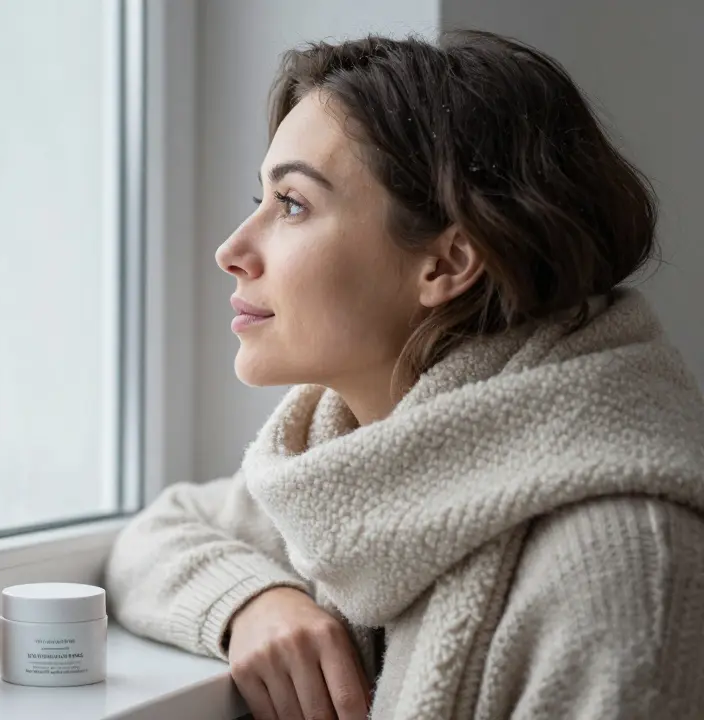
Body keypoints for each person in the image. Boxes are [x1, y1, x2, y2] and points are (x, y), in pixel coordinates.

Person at [105, 31, 704, 720]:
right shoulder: (349, 463)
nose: (232, 249)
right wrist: (252, 602)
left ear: (448, 264)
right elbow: (157, 535)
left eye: (292, 204)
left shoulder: (619, 572)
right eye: (258, 200)